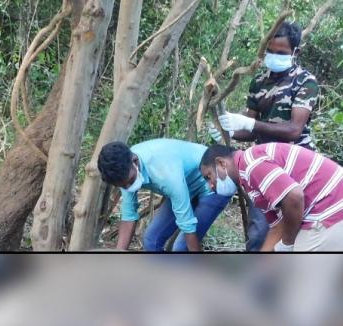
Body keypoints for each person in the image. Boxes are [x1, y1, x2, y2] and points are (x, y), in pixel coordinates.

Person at [208, 21, 319, 251]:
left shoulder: (305, 81)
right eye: (271, 51)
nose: (274, 56)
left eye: (281, 53)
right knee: (259, 231)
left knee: (297, 228)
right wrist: (227, 130)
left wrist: (250, 122)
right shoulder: (258, 81)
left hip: (296, 164)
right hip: (262, 166)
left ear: (294, 52)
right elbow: (250, 130)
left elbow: (294, 130)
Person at [200, 143, 343, 251]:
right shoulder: (248, 181)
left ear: (221, 163)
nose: (210, 185)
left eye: (209, 176)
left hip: (330, 208)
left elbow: (294, 197)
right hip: (320, 209)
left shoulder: (251, 164)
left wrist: (287, 244)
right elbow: (278, 227)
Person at [97, 139, 231, 252]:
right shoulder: (123, 171)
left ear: (135, 161)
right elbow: (129, 216)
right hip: (185, 186)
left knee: (181, 248)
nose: (128, 188)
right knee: (151, 240)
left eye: (131, 181)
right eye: (123, 186)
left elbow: (187, 226)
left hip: (213, 179)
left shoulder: (165, 173)